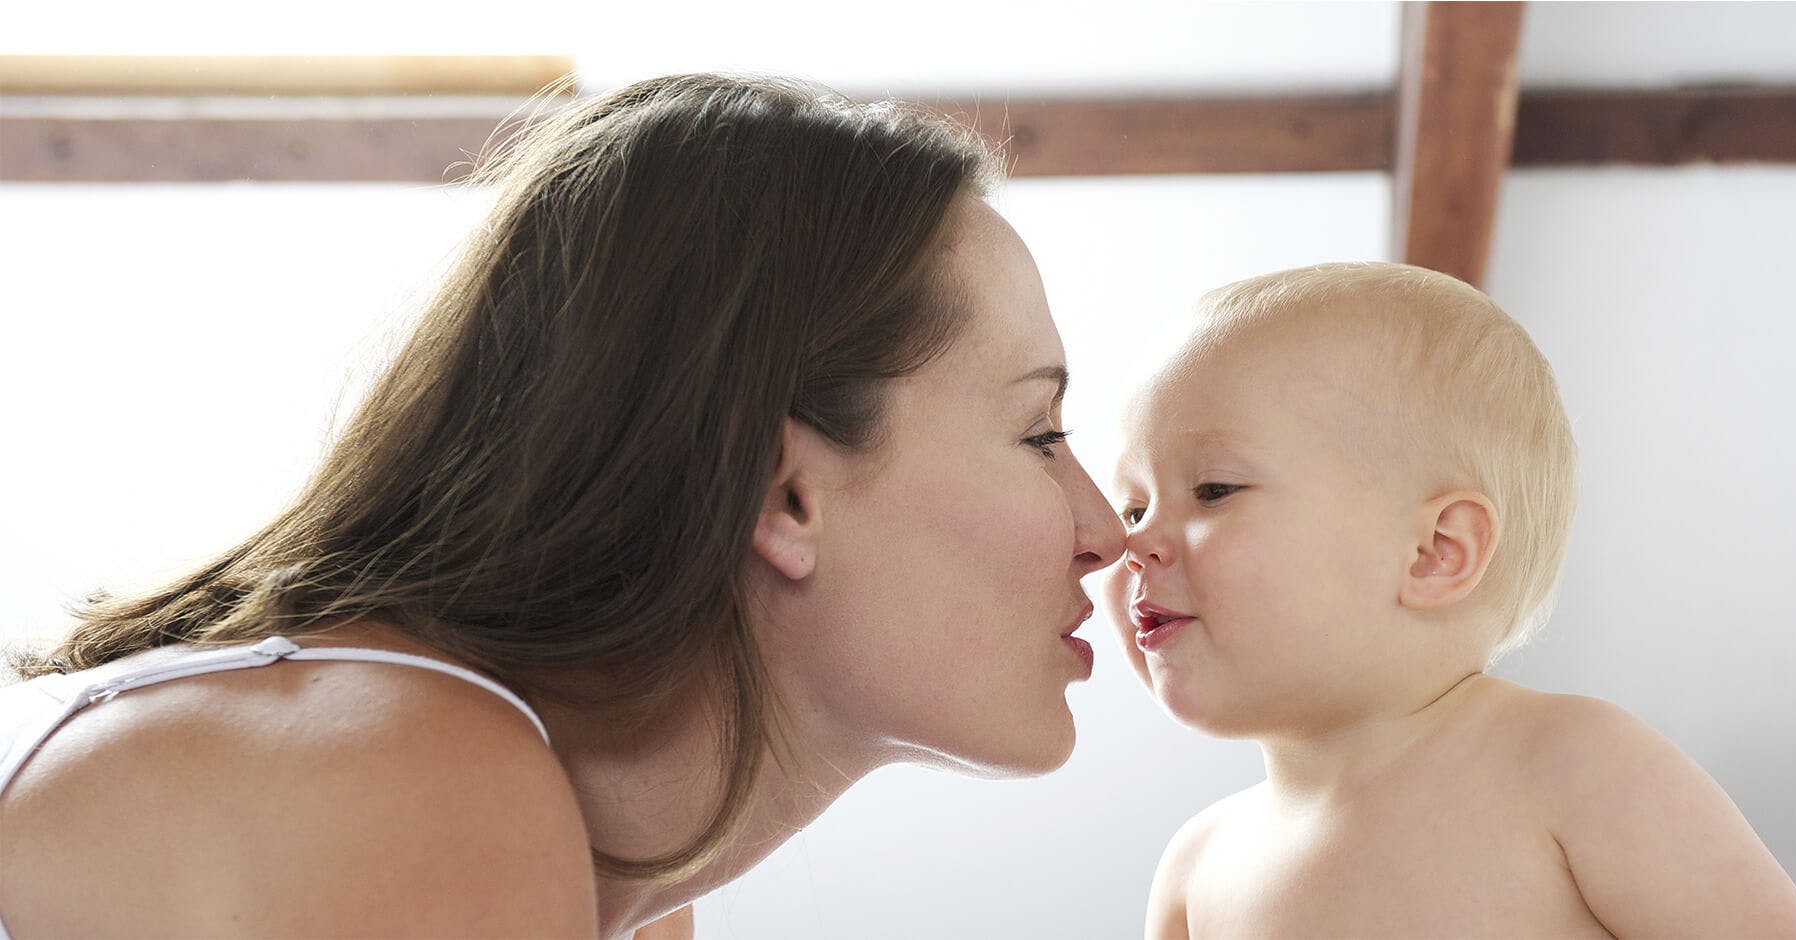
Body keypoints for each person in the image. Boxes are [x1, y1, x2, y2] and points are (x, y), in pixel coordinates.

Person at [0, 73, 1123, 937]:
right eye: (1039, 434)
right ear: (781, 493)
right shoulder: (415, 787)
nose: (1108, 533)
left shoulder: (604, 862)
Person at [1098, 262, 1796, 938]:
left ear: (1436, 552)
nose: (1132, 543)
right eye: (1132, 509)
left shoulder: (1576, 768)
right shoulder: (1194, 873)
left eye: (1214, 490)